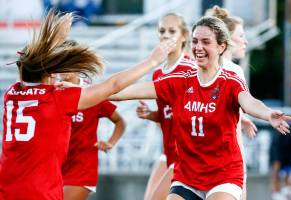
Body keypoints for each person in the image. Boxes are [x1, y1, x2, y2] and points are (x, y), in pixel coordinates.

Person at [109, 16, 291, 200]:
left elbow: (249, 102)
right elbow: (127, 91)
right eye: (195, 41)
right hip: (188, 176)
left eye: (206, 42)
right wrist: (98, 92)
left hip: (223, 175)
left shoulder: (230, 81)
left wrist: (268, 114)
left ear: (221, 47)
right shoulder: (180, 80)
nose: (198, 47)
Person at [0, 9, 176, 200]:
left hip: (7, 187)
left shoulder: (12, 94)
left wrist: (56, 40)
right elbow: (113, 86)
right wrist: (152, 61)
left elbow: (31, 68)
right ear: (50, 72)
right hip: (39, 191)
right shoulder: (58, 97)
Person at [135, 13, 197, 200]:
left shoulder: (190, 68)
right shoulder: (158, 73)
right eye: (162, 31)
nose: (166, 35)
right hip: (168, 151)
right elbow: (167, 115)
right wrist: (151, 114)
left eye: (172, 31)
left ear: (184, 35)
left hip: (186, 153)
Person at [205, 6, 257, 200]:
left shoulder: (208, 67)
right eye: (241, 36)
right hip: (221, 159)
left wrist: (240, 117)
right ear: (226, 40)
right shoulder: (232, 71)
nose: (245, 41)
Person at [60, 71, 126, 200]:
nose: (62, 69)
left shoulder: (92, 93)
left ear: (78, 67)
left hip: (81, 168)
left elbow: (119, 121)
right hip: (55, 166)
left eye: (67, 65)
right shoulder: (55, 92)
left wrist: (111, 142)